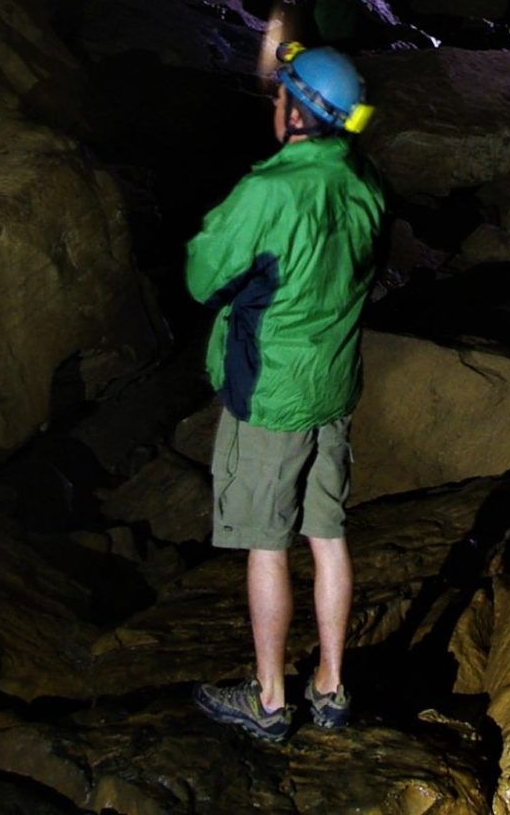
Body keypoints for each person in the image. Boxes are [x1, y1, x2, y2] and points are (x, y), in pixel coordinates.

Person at [185, 37, 384, 745]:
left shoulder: (268, 191)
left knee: (266, 545)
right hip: (332, 385)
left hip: (271, 394)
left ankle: (269, 700)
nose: (274, 104)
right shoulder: (363, 183)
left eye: (280, 95)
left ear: (298, 113)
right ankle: (330, 687)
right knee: (327, 535)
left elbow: (203, 277)